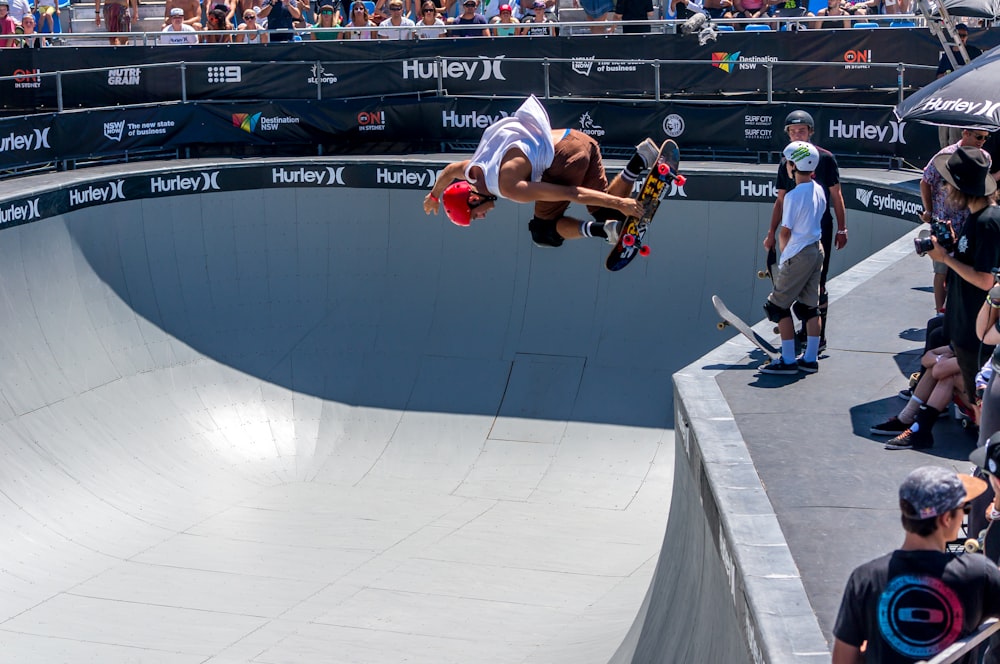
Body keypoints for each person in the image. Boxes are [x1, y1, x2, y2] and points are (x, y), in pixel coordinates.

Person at [423, 95, 650, 250]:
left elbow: (572, 193)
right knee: (604, 210)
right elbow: (448, 172)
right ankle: (640, 159)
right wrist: (434, 197)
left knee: (543, 231)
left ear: (473, 199)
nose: (481, 217)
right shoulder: (471, 170)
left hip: (566, 156)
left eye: (475, 214)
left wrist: (621, 203)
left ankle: (607, 229)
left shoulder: (509, 187)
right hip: (580, 139)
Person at [832, 465, 1000, 664]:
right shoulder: (978, 573)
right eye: (963, 508)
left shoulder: (865, 578)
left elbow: (843, 659)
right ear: (946, 519)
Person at [924, 147, 1000, 417]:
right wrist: (954, 247)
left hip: (976, 331)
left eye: (948, 182)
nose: (944, 188)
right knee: (976, 399)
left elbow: (985, 279)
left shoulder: (989, 222)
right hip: (965, 326)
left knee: (980, 404)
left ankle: (985, 457)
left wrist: (945, 258)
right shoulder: (975, 218)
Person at [765, 110, 847, 352]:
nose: (797, 135)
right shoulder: (786, 162)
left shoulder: (826, 159)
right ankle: (808, 339)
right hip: (795, 231)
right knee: (804, 285)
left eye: (801, 131)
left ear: (810, 132)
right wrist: (771, 232)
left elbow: (837, 194)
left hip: (814, 230)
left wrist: (842, 228)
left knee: (817, 283)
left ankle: (815, 339)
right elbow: (779, 201)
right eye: (793, 132)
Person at [759, 142, 826, 375]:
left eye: (789, 163)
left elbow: (785, 232)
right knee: (810, 308)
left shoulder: (793, 196)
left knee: (777, 306)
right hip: (817, 250)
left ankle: (787, 360)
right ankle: (810, 359)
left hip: (798, 254)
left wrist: (784, 258)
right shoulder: (819, 189)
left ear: (793, 165)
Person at [920, 128, 993, 314]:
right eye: (978, 137)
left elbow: (984, 280)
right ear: (965, 134)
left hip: (969, 222)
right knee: (941, 270)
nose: (982, 141)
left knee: (964, 267)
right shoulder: (945, 155)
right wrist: (929, 210)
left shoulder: (984, 157)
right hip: (946, 220)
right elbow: (925, 181)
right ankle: (940, 311)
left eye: (985, 138)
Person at [873, 346, 965, 450]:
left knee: (948, 375)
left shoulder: (982, 345)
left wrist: (941, 361)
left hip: (980, 401)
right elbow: (927, 358)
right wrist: (939, 359)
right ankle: (907, 418)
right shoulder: (972, 338)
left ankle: (921, 429)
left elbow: (939, 371)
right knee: (933, 366)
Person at [936, 24, 984, 148]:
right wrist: (950, 76)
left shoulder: (973, 52)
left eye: (964, 35)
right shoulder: (947, 55)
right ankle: (943, 160)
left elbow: (980, 74)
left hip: (962, 99)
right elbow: (938, 76)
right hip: (946, 99)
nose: (962, 38)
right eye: (959, 35)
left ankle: (955, 162)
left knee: (955, 135)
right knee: (943, 135)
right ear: (953, 36)